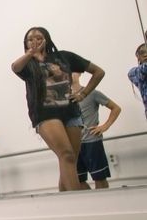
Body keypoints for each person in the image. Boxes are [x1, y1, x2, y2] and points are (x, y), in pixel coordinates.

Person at [12, 27, 105, 191]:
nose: (34, 41)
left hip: (71, 112)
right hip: (45, 114)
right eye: (30, 39)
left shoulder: (64, 56)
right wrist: (30, 53)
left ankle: (63, 203)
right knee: (66, 154)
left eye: (39, 37)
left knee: (70, 160)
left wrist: (83, 94)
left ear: (46, 39)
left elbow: (98, 72)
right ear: (25, 43)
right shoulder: (28, 64)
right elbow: (15, 67)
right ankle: (77, 203)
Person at [72, 74, 121, 190]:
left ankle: (105, 206)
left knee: (99, 178)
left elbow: (116, 108)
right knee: (78, 181)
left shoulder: (92, 93)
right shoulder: (62, 98)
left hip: (91, 142)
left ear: (79, 73)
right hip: (74, 145)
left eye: (72, 70)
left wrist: (105, 126)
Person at [129, 43, 147, 120]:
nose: (145, 54)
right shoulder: (134, 72)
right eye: (142, 52)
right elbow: (144, 69)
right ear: (138, 57)